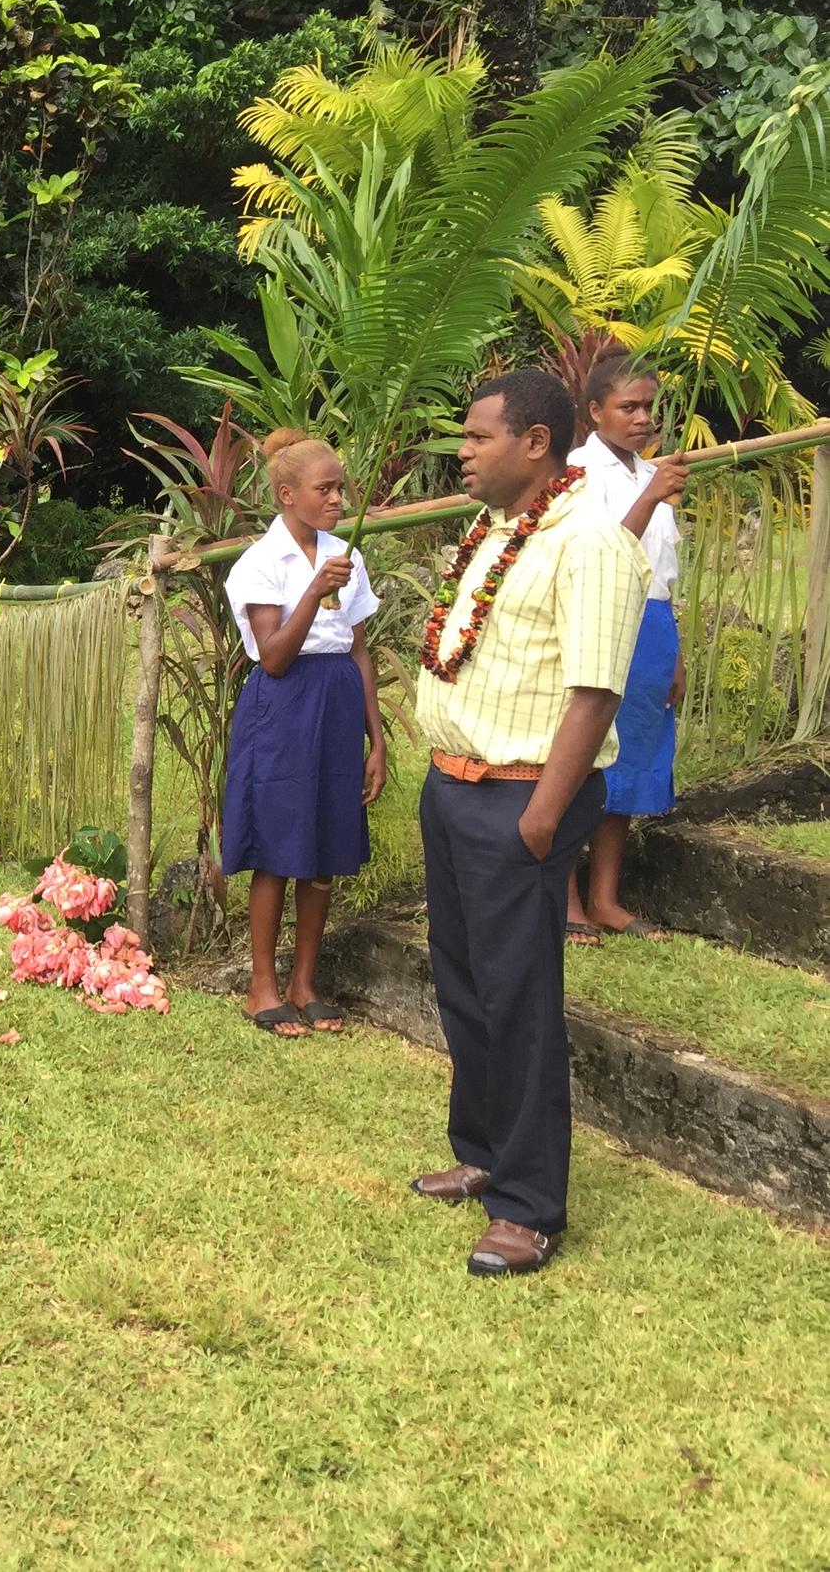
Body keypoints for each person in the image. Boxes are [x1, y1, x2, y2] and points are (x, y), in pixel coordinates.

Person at [410, 369, 647, 1278]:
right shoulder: (498, 528)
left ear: (535, 442)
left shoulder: (589, 540)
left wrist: (542, 819)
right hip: (455, 785)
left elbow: (594, 691)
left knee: (520, 996)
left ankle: (529, 1203)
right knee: (465, 979)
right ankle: (483, 1148)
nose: (461, 451)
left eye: (477, 438)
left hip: (522, 796)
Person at [220, 430, 387, 1037]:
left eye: (341, 487)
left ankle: (304, 982)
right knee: (278, 845)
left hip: (338, 705)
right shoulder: (259, 565)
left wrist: (377, 739)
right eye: (326, 488)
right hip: (284, 709)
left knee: (326, 847)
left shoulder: (348, 555)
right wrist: (314, 593)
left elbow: (360, 651)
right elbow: (273, 659)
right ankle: (262, 984)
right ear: (288, 494)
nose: (339, 498)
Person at [566, 353, 688, 944]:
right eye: (627, 407)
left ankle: (606, 897)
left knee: (630, 760)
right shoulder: (576, 474)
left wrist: (675, 655)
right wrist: (653, 497)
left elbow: (663, 573)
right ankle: (566, 899)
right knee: (581, 758)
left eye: (648, 407)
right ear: (595, 412)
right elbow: (603, 552)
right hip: (600, 620)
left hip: (653, 626)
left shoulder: (650, 471)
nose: (642, 418)